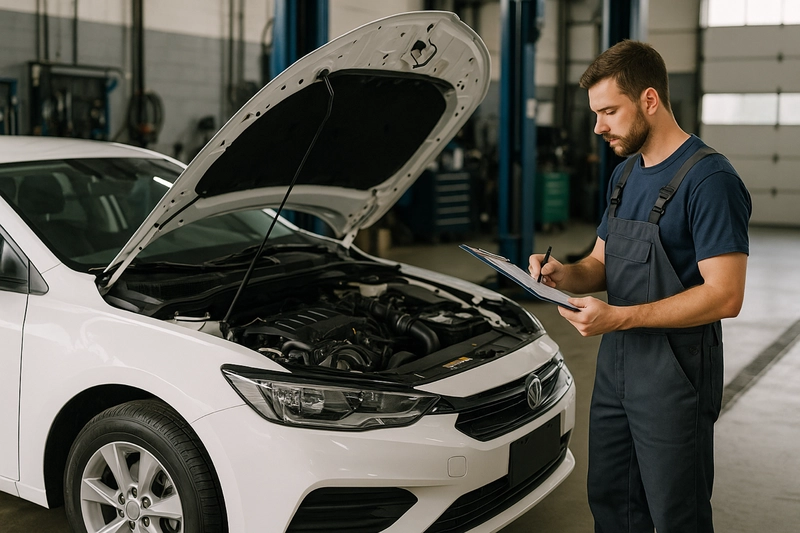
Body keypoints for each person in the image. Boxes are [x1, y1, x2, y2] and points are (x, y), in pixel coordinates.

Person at [528, 40, 751, 533]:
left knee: (677, 515)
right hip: (617, 371)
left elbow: (726, 295)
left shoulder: (710, 180)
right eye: (596, 113)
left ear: (650, 99)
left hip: (676, 376)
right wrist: (563, 274)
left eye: (609, 111)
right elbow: (600, 264)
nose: (598, 126)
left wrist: (619, 317)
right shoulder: (624, 175)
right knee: (613, 503)